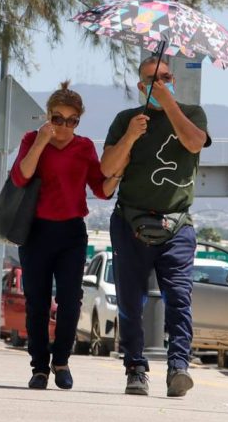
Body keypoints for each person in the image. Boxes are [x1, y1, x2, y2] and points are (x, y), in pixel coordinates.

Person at [100, 56, 211, 398]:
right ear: (140, 86)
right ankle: (135, 367)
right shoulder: (125, 120)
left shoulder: (192, 114)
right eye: (151, 80)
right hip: (130, 222)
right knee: (130, 302)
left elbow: (194, 143)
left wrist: (169, 105)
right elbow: (106, 169)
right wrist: (131, 137)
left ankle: (178, 366)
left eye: (164, 77)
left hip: (176, 223)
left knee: (179, 297)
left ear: (172, 79)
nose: (158, 84)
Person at [11, 81, 120, 390]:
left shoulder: (84, 147)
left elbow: (101, 189)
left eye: (72, 121)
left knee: (71, 300)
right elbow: (21, 176)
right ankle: (39, 367)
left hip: (72, 232)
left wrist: (119, 172)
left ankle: (61, 361)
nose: (64, 126)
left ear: (78, 121)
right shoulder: (32, 140)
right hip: (36, 231)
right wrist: (40, 143)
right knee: (37, 302)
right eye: (58, 119)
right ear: (48, 116)